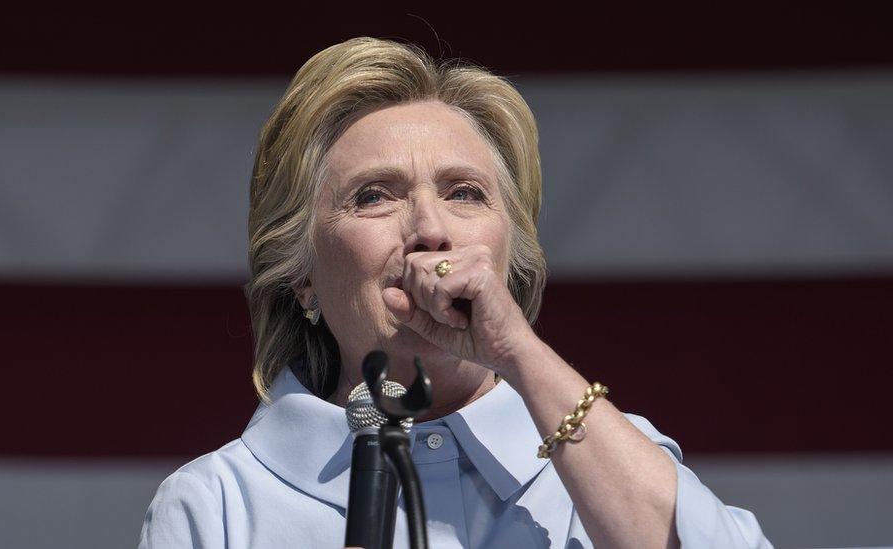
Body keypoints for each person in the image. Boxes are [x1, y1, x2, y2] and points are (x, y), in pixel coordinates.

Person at [138, 37, 772, 548]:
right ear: (302, 273)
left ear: (509, 254)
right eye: (375, 195)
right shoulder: (216, 505)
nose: (431, 231)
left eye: (464, 193)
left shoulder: (608, 457)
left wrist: (518, 352)